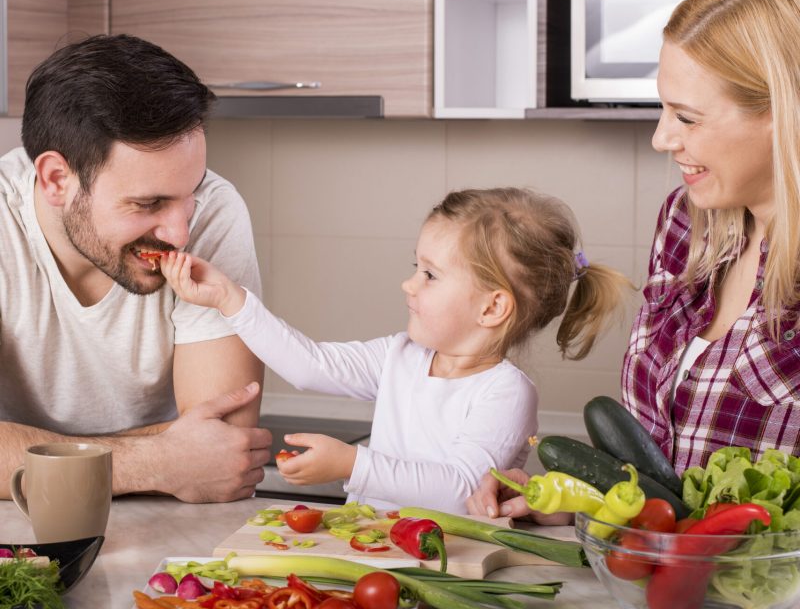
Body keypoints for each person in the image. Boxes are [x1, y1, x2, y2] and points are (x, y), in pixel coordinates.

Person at [468, 0, 800, 520]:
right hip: (651, 593)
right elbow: (655, 472)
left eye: (686, 117)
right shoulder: (688, 223)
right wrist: (567, 499)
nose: (661, 137)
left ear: (781, 114)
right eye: (664, 108)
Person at [161, 187, 630, 513]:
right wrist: (229, 299)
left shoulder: (505, 392)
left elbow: (461, 491)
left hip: (447, 566)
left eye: (430, 274)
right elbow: (308, 365)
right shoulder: (400, 356)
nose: (409, 283)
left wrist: (352, 464)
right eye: (416, 266)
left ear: (492, 308)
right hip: (372, 551)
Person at [0, 34, 270, 503]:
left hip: (168, 521)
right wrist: (161, 461)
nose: (180, 234)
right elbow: (192, 459)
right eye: (148, 204)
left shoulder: (214, 213)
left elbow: (225, 445)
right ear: (57, 180)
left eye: (191, 193)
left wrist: (22, 453)